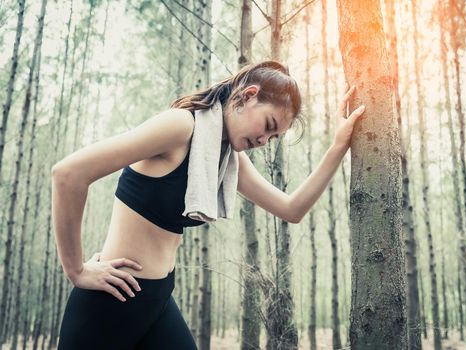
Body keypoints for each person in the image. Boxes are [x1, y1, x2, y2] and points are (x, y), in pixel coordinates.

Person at [51, 60, 365, 349]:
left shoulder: (226, 157)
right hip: (109, 303)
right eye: (268, 125)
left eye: (273, 138)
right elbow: (69, 174)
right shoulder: (180, 126)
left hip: (157, 301)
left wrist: (339, 146)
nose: (264, 142)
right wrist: (76, 270)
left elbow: (292, 210)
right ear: (248, 96)